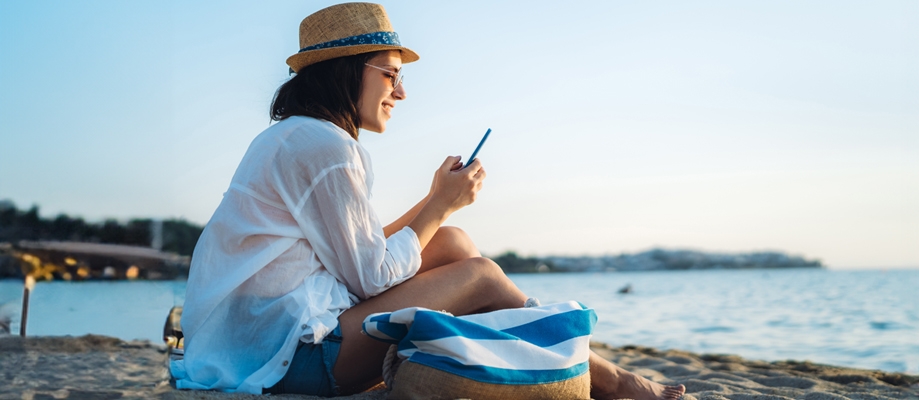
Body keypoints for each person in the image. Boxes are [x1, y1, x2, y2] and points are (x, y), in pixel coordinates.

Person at [170, 3, 685, 399]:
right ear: (348, 70)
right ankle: (611, 380)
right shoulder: (328, 147)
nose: (401, 92)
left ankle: (567, 361)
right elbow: (368, 277)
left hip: (253, 345)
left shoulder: (294, 137)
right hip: (286, 361)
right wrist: (441, 204)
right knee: (480, 274)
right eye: (391, 74)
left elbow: (355, 256)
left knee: (453, 240)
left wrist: (437, 203)